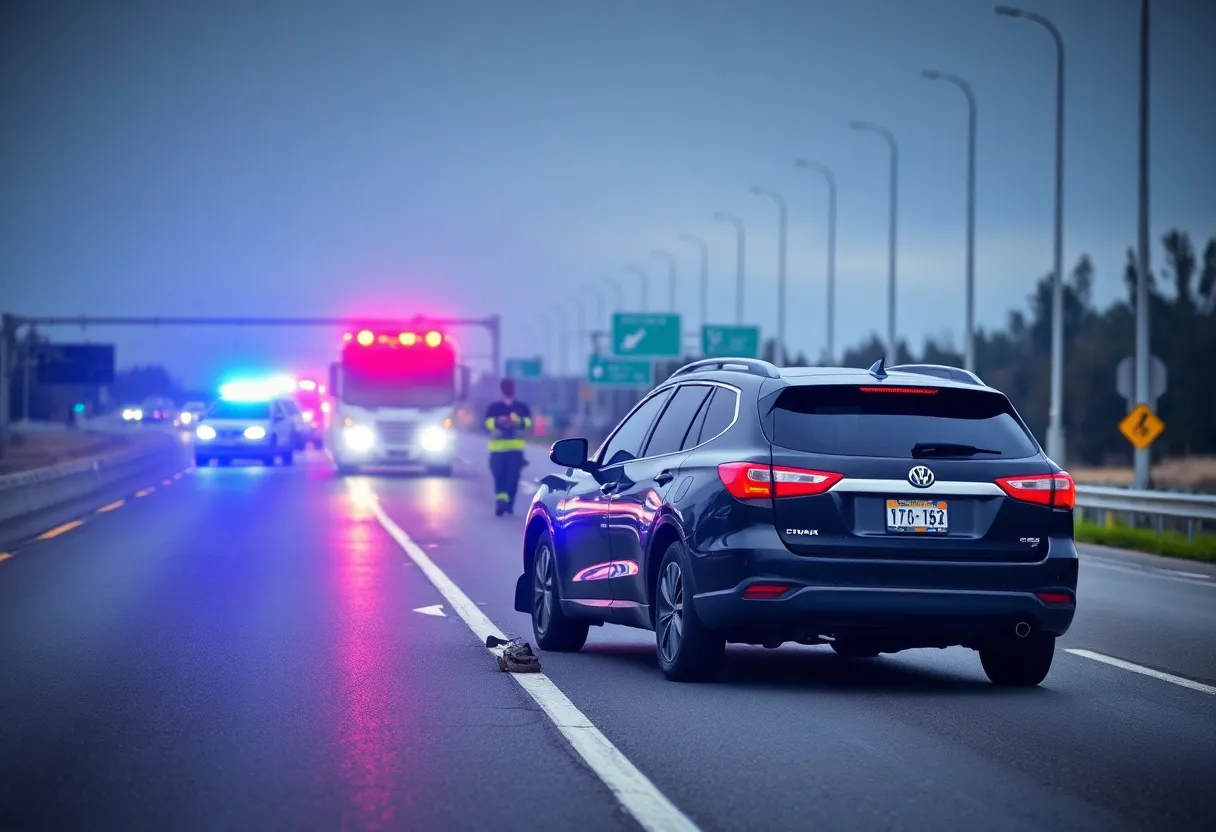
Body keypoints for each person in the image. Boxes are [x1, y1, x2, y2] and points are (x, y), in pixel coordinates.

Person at [484, 379, 533, 516]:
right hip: (497, 449)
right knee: (499, 475)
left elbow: (528, 423)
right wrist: (499, 421)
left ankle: (509, 502)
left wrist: (517, 421)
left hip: (515, 449)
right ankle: (501, 502)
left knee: (512, 477)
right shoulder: (494, 407)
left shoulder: (521, 408)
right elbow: (487, 423)